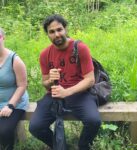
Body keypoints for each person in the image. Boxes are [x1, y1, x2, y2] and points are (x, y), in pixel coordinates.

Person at [29, 14, 101, 150]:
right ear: (47, 34)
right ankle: (61, 146)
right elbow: (45, 84)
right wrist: (50, 80)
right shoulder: (45, 54)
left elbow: (90, 80)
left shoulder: (80, 48)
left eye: (59, 29)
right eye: (51, 31)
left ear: (65, 29)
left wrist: (67, 91)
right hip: (54, 95)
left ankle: (83, 146)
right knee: (35, 127)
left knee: (93, 121)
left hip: (79, 93)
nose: (57, 34)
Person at [0, 28, 29, 150]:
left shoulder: (14, 60)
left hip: (14, 103)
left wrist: (10, 106)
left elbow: (22, 85)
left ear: (3, 38)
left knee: (4, 131)